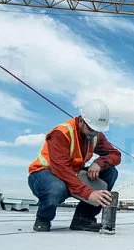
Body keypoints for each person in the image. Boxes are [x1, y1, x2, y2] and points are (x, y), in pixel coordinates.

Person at [27, 99, 121, 232]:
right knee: (56, 188)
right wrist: (88, 193)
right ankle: (43, 218)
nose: (93, 133)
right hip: (44, 174)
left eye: (96, 131)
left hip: (71, 174)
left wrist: (99, 163)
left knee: (111, 172)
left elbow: (115, 154)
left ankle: (83, 220)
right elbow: (61, 169)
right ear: (82, 120)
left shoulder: (95, 135)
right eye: (91, 129)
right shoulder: (62, 133)